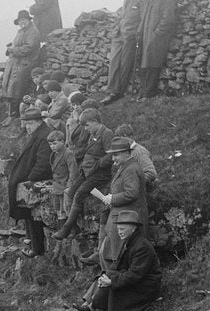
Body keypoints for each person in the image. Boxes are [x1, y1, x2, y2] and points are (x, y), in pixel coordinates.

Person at [78, 210, 161, 311]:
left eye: (122, 229)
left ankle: (90, 309)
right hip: (136, 280)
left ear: (133, 228)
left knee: (110, 283)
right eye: (118, 229)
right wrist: (106, 276)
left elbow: (135, 275)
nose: (119, 232)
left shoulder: (142, 247)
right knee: (106, 275)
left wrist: (112, 282)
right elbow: (117, 264)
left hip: (146, 287)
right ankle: (87, 306)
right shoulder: (130, 241)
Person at [53, 108, 115, 240]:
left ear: (95, 121)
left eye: (87, 125)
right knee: (69, 192)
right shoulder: (94, 134)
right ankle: (74, 227)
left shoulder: (106, 134)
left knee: (79, 194)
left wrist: (97, 164)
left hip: (100, 174)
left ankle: (67, 228)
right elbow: (89, 152)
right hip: (87, 172)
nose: (85, 129)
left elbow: (111, 156)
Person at [92, 136, 148, 267]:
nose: (113, 159)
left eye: (116, 155)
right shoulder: (125, 166)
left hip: (127, 218)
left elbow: (132, 193)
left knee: (117, 257)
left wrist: (112, 198)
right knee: (108, 254)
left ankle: (112, 282)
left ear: (127, 153)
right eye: (112, 155)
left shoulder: (131, 169)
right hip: (120, 217)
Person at [7, 108, 53, 257]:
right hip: (28, 178)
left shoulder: (45, 136)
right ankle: (31, 241)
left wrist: (31, 179)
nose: (28, 126)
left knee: (33, 214)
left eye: (31, 123)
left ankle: (37, 248)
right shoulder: (38, 133)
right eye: (26, 123)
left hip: (38, 179)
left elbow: (43, 164)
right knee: (29, 214)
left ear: (40, 121)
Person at [1, 10, 42, 123]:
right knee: (7, 83)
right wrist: (10, 49)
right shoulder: (21, 32)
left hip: (26, 62)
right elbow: (16, 45)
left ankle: (14, 114)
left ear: (29, 20)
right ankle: (10, 111)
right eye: (20, 21)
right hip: (15, 62)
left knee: (16, 85)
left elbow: (29, 48)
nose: (22, 23)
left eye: (24, 20)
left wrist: (14, 50)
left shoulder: (33, 31)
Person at [102, 0, 145, 104]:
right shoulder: (126, 2)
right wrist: (116, 27)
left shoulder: (141, 2)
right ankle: (111, 90)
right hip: (119, 34)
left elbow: (144, 19)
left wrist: (138, 32)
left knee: (125, 63)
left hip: (130, 36)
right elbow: (121, 16)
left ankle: (116, 93)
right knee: (114, 61)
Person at [139, 0, 178, 99]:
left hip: (158, 38)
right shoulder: (148, 2)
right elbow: (144, 19)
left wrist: (156, 34)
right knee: (145, 64)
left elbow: (168, 20)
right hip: (147, 37)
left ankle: (149, 93)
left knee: (154, 63)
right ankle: (143, 92)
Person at [45, 130, 79, 222]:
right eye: (50, 144)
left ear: (63, 142)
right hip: (57, 187)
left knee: (67, 208)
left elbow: (73, 172)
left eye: (55, 144)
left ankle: (71, 231)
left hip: (65, 186)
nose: (52, 147)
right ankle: (61, 231)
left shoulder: (68, 154)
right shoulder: (53, 154)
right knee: (59, 210)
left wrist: (69, 187)